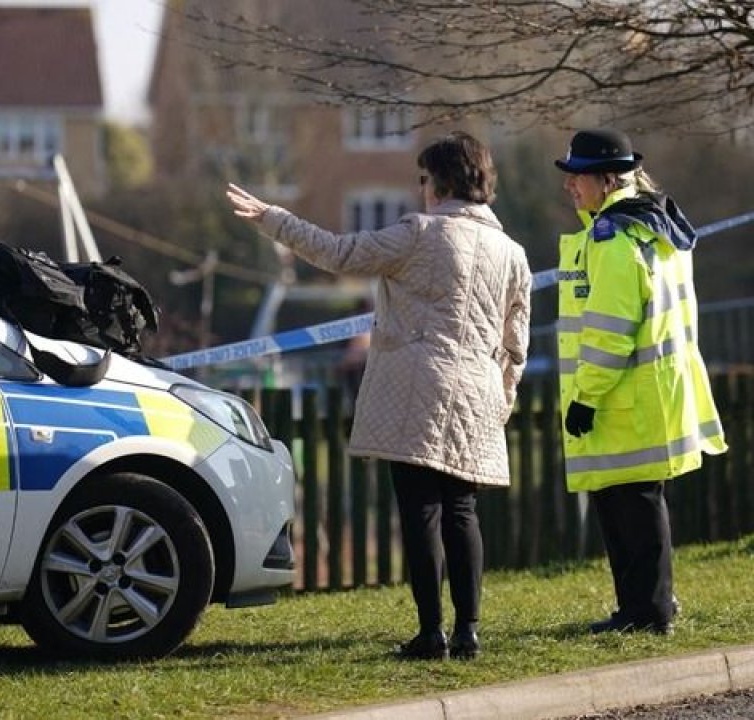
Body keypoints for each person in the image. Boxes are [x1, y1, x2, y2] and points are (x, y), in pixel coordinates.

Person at [228, 131, 532, 660]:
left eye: (422, 178)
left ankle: (431, 631)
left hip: (417, 387)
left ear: (439, 182)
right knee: (462, 511)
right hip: (478, 392)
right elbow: (517, 343)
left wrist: (272, 219)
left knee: (421, 513)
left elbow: (338, 252)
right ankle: (469, 631)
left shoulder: (419, 233)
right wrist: (503, 397)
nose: (420, 189)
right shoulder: (514, 254)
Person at [553, 128, 728, 635]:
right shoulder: (653, 226)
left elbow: (610, 332)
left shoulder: (613, 240)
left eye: (577, 177)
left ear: (607, 180)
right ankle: (648, 606)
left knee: (628, 507)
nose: (570, 188)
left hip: (619, 397)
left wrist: (585, 397)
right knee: (637, 502)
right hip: (650, 392)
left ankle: (645, 613)